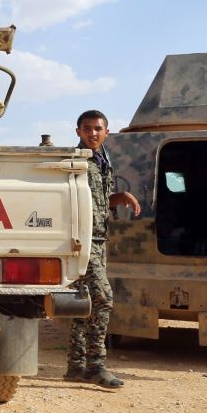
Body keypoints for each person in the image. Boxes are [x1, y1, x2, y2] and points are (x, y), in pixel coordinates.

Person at [65, 110, 140, 389]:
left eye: (98, 129)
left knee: (83, 302)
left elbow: (95, 200)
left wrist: (117, 198)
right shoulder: (76, 162)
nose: (92, 133)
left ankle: (75, 365)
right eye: (87, 129)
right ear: (78, 132)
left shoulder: (101, 161)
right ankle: (95, 366)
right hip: (82, 241)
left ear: (106, 132)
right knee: (103, 299)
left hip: (99, 240)